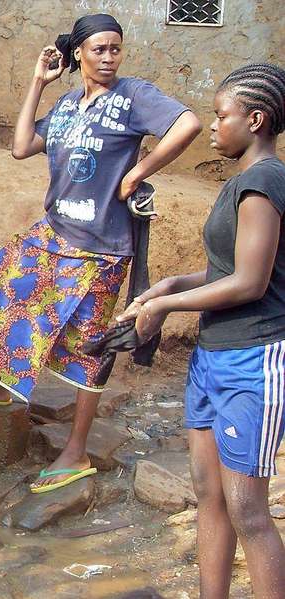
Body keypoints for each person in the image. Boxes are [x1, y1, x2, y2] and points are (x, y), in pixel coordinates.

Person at [0, 13, 202, 493]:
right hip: (55, 232)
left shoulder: (132, 97)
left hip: (103, 246)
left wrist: (137, 171)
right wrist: (37, 84)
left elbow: (188, 122)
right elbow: (22, 146)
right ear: (79, 53)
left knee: (90, 346)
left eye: (115, 49)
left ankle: (76, 451)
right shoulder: (65, 104)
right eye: (99, 49)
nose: (108, 58)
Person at [117, 63, 285, 598]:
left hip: (253, 358)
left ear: (255, 119)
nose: (213, 127)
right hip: (214, 355)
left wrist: (168, 309)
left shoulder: (265, 181)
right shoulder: (240, 181)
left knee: (248, 512)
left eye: (222, 116)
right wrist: (168, 284)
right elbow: (224, 270)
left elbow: (250, 283)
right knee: (209, 495)